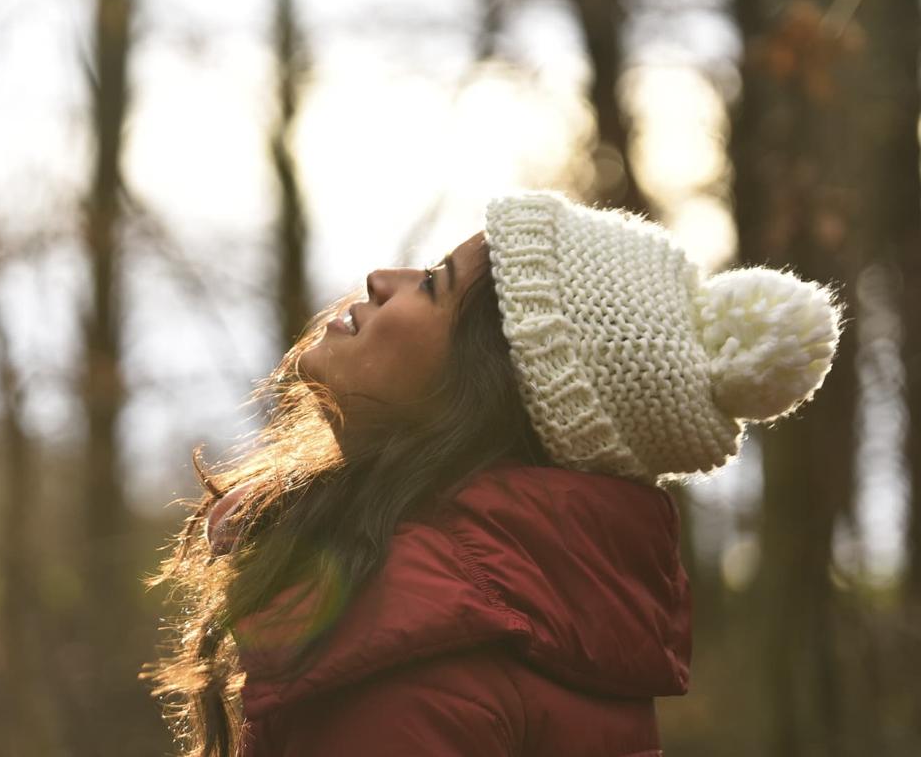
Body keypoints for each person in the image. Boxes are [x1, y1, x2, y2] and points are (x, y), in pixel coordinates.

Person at [145, 190, 843, 757]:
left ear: (487, 393)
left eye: (432, 285)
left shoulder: (415, 646)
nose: (382, 282)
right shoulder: (536, 618)